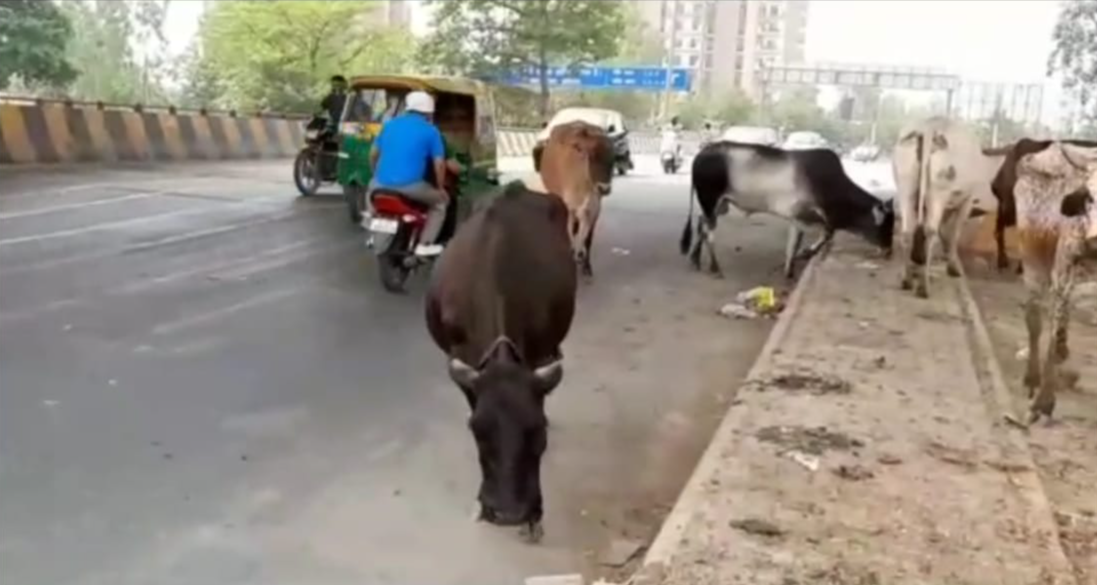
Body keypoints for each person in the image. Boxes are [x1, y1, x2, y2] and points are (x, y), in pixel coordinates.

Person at [368, 90, 451, 257]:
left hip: (379, 185)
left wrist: (375, 175)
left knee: (372, 199)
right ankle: (424, 244)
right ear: (429, 112)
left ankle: (373, 233)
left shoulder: (389, 125)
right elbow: (439, 164)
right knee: (440, 203)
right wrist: (440, 188)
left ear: (407, 108)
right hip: (411, 186)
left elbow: (373, 154)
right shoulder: (431, 131)